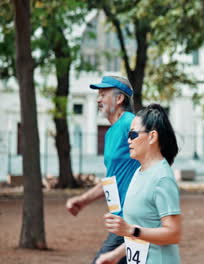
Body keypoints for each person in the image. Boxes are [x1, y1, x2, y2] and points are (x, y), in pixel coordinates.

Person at [66, 76, 140, 264]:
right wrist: (83, 201)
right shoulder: (110, 134)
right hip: (119, 220)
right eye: (98, 95)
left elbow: (155, 155)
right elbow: (111, 180)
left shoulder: (132, 124)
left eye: (103, 94)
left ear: (119, 99)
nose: (98, 99)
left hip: (133, 217)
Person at [96, 103, 181, 264]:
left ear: (152, 137)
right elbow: (144, 230)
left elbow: (173, 233)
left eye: (133, 135)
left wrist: (130, 230)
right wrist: (115, 255)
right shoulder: (139, 172)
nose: (128, 140)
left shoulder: (162, 178)